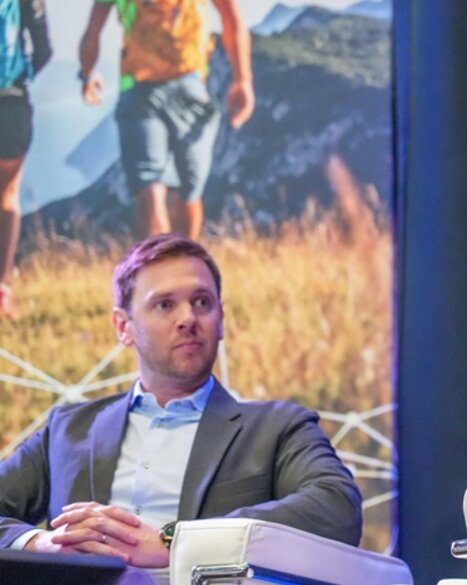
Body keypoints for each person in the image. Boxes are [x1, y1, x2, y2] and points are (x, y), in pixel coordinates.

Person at [0, 234, 362, 582]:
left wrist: (175, 541)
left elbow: (337, 507)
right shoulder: (68, 429)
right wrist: (43, 545)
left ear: (221, 319)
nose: (188, 318)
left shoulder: (278, 428)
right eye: (165, 304)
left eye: (202, 302)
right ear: (124, 326)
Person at [78, 0, 255, 240]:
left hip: (139, 86)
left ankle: (159, 260)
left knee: (149, 189)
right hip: (189, 83)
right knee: (189, 191)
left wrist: (87, 73)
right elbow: (231, 18)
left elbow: (92, 31)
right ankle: (183, 258)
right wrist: (242, 79)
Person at [0, 0, 51, 318]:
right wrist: (21, 78)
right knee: (7, 195)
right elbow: (44, 50)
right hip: (12, 103)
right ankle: (1, 289)